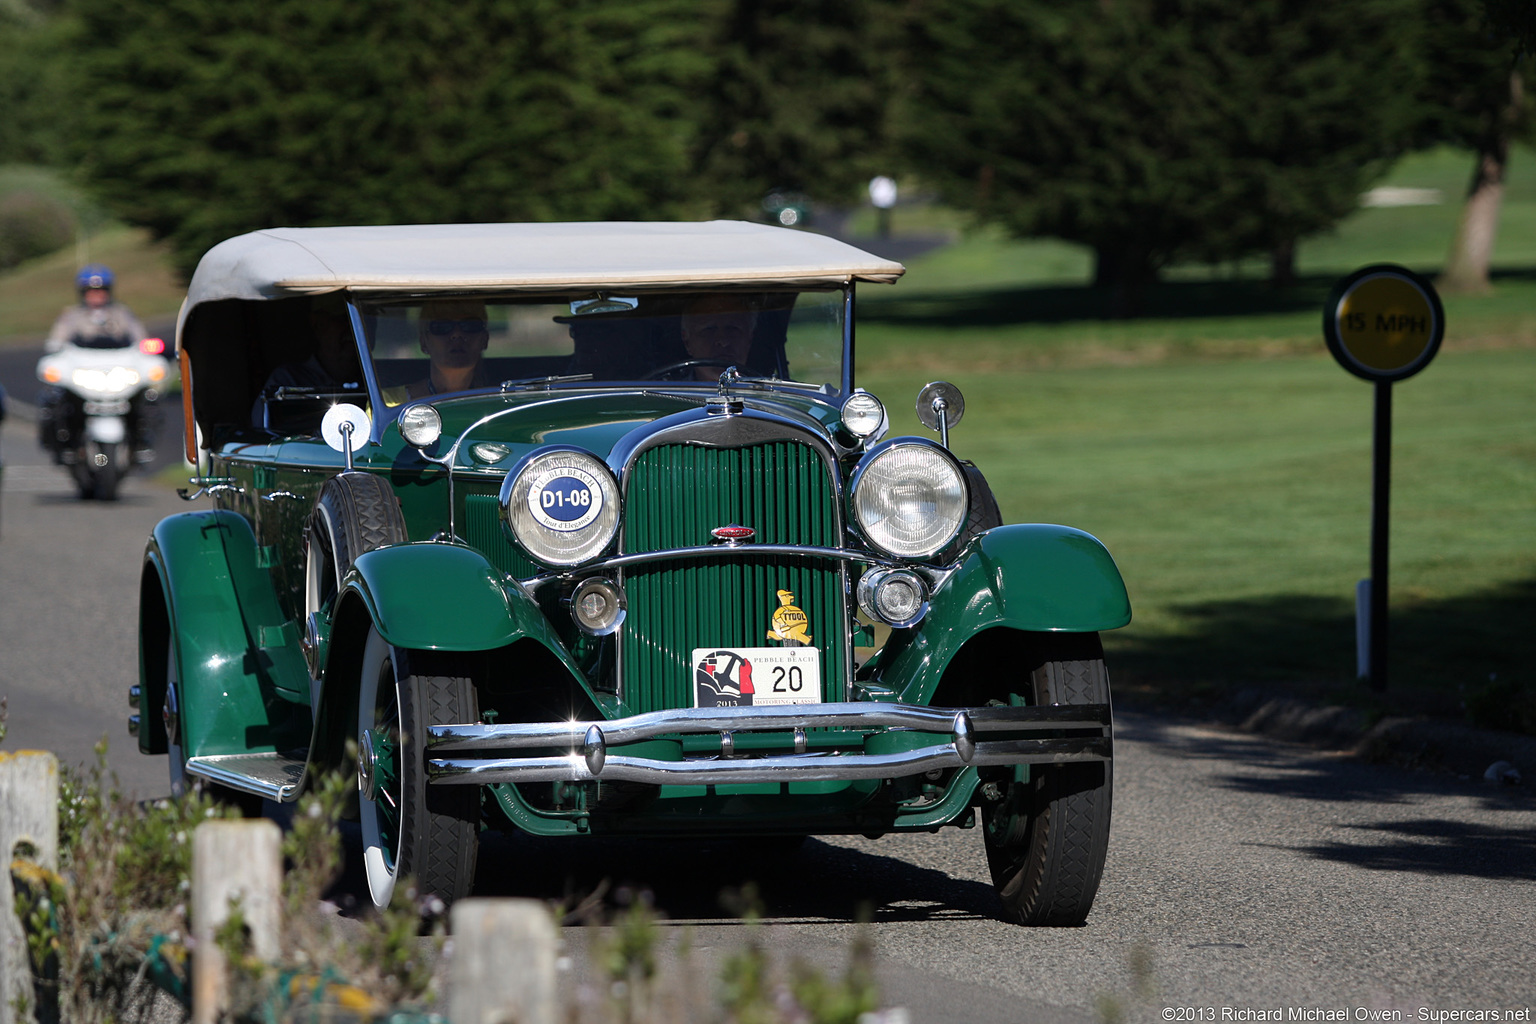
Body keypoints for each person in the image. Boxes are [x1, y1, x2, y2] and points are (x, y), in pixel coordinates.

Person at [252, 296, 365, 427]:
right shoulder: (288, 382)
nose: (356, 328)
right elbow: (264, 433)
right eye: (343, 318)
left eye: (364, 319)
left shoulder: (386, 379)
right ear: (316, 323)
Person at [384, 299, 493, 405]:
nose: (457, 334)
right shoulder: (387, 403)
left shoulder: (502, 405)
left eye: (470, 325)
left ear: (485, 339)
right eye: (442, 326)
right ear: (424, 342)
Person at [45, 265, 147, 352]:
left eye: (101, 290)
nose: (97, 294)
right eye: (91, 291)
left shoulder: (121, 312)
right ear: (83, 293)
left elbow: (140, 337)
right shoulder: (71, 315)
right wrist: (56, 345)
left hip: (121, 360)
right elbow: (57, 340)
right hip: (81, 362)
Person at [678, 294, 757, 380]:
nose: (723, 342)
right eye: (709, 329)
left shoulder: (771, 390)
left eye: (733, 329)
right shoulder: (665, 391)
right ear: (687, 342)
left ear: (749, 339)